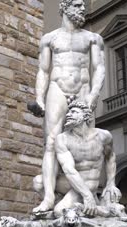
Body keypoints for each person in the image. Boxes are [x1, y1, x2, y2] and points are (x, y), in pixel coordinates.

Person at [30, 0, 105, 214]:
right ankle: (48, 197)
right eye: (77, 5)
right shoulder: (49, 39)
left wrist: (92, 97)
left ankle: (84, 194)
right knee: (51, 143)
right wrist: (40, 99)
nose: (83, 8)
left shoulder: (92, 38)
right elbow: (43, 71)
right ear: (64, 8)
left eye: (83, 5)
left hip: (82, 90)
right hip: (57, 89)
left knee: (85, 142)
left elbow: (99, 69)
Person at [40, 101, 121, 217]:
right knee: (38, 182)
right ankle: (83, 204)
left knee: (60, 211)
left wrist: (111, 182)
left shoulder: (103, 136)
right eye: (68, 112)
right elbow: (69, 170)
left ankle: (102, 211)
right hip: (72, 181)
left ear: (85, 116)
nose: (68, 115)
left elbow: (111, 157)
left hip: (90, 182)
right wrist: (87, 195)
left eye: (74, 112)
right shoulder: (62, 139)